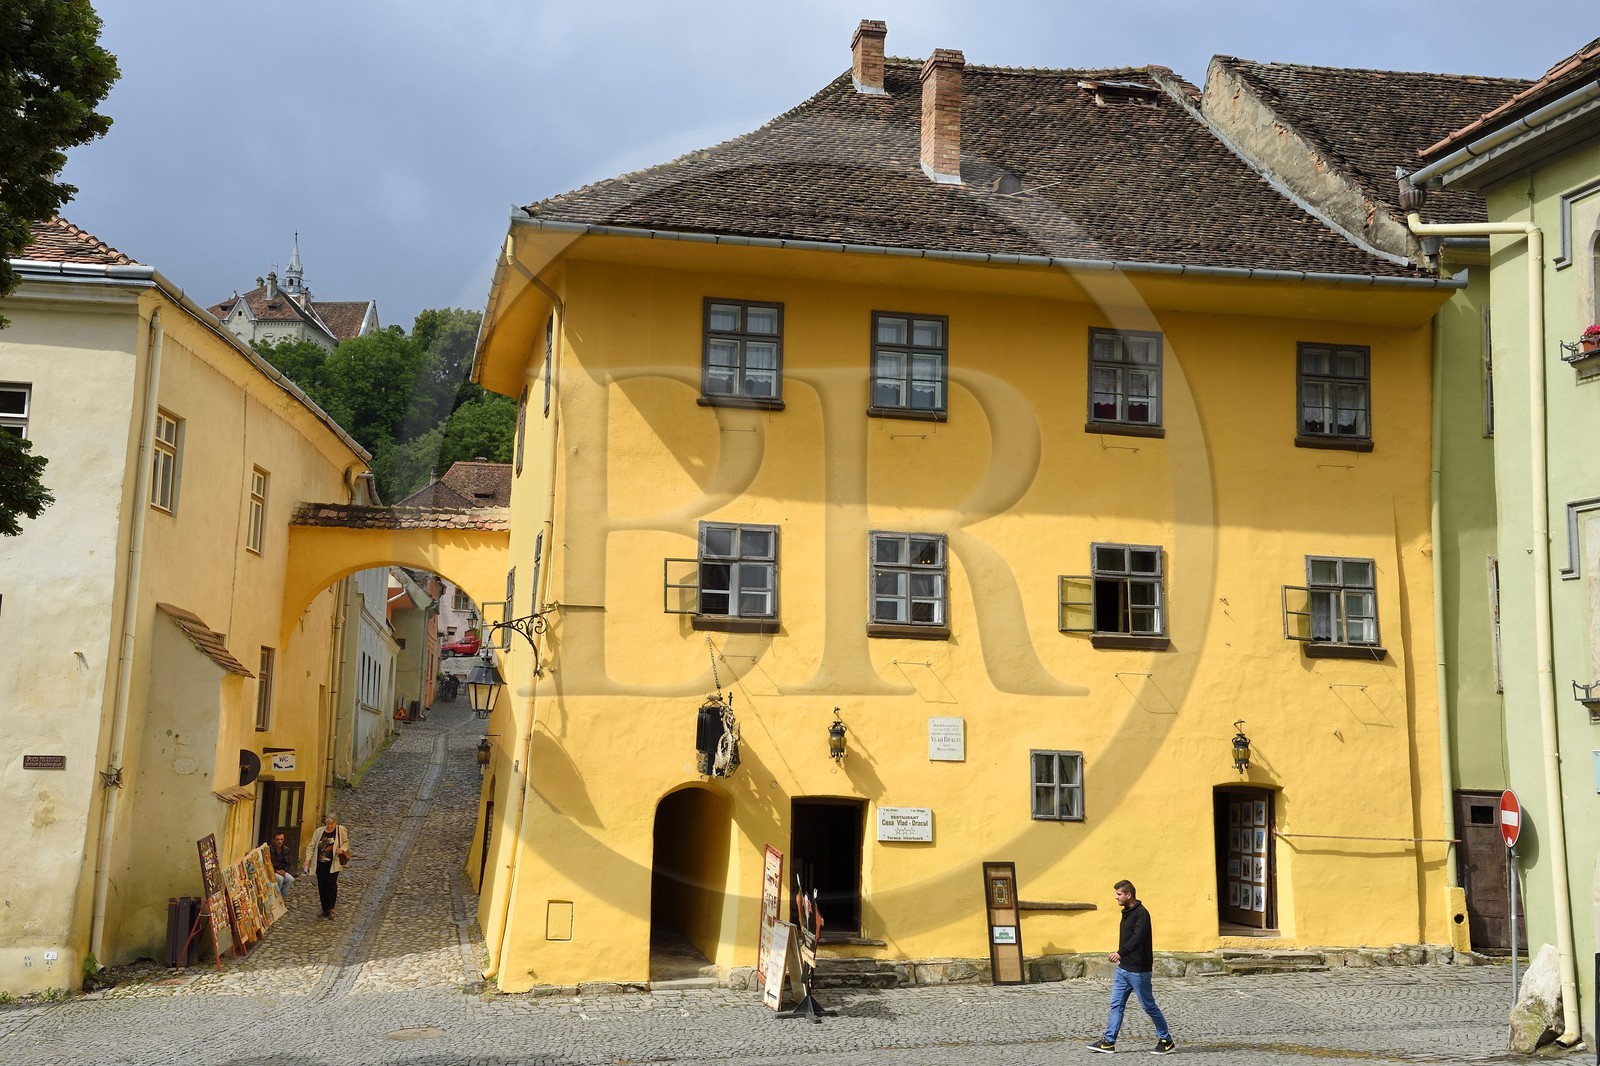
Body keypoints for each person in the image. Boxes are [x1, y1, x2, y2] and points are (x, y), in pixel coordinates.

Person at [1087, 879, 1176, 1055]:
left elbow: (1138, 938)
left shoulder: (1142, 913)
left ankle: (1166, 1040)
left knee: (1149, 1006)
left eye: (1119, 894)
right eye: (1116, 894)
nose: (1116, 897)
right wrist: (1122, 956)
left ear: (1129, 894)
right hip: (1123, 970)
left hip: (1139, 971)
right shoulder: (1127, 912)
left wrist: (1120, 952)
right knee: (1116, 1005)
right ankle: (1109, 1042)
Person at [302, 812, 350, 919]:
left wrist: (342, 849)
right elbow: (311, 846)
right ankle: (325, 909)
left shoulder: (340, 830)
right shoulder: (319, 831)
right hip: (320, 863)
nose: (329, 826)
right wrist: (307, 860)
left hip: (333, 863)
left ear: (335, 823)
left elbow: (346, 842)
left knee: (331, 884)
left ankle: (331, 908)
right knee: (322, 885)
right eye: (327, 824)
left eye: (331, 824)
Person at [268, 831, 295, 898]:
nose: (280, 841)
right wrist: (276, 871)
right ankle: (275, 898)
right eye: (278, 839)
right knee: (280, 879)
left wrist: (284, 871)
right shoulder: (269, 850)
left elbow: (288, 863)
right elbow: (267, 864)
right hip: (272, 871)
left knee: (290, 879)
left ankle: (281, 898)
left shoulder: (286, 850)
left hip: (281, 870)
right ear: (274, 840)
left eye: (281, 839)